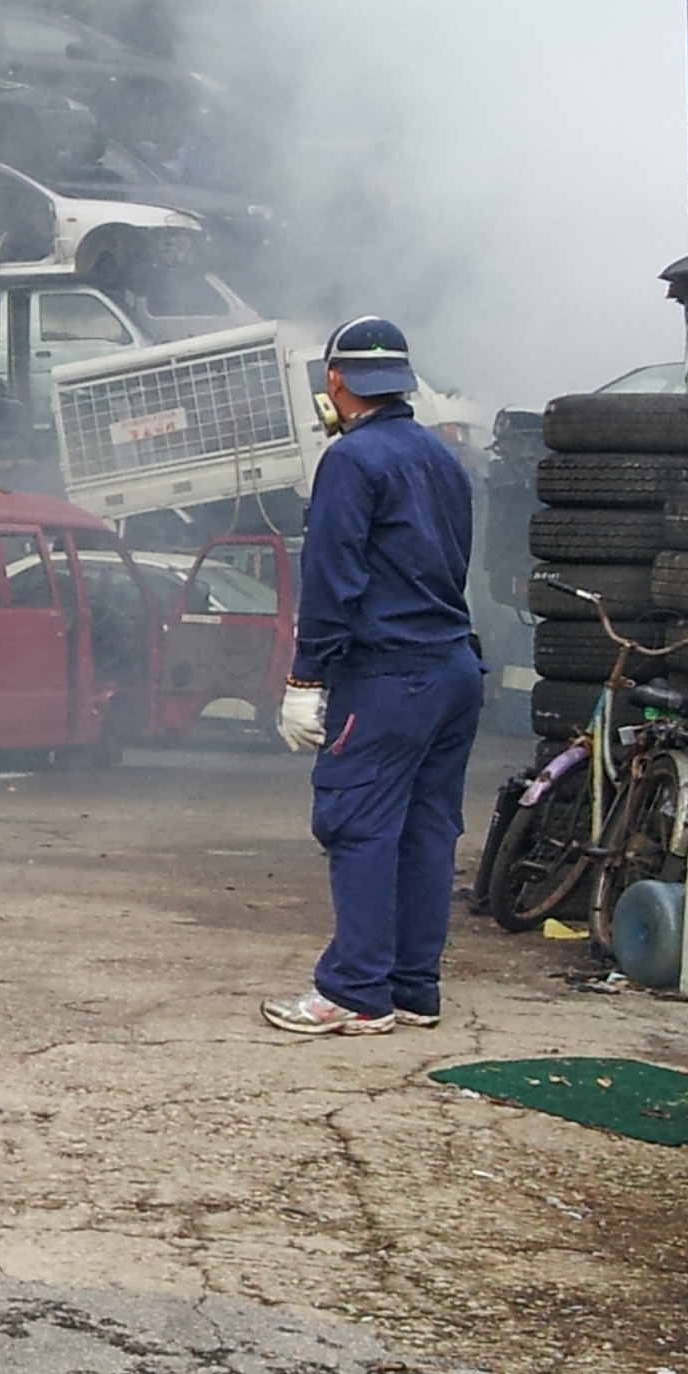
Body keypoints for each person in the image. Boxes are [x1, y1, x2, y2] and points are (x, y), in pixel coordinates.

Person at [262, 315, 481, 1036]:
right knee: (426, 828)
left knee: (358, 821)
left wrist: (305, 680)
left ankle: (355, 990)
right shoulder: (443, 458)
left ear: (335, 380)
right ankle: (413, 987)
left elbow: (332, 577)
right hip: (454, 668)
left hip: (388, 675)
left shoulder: (350, 461)